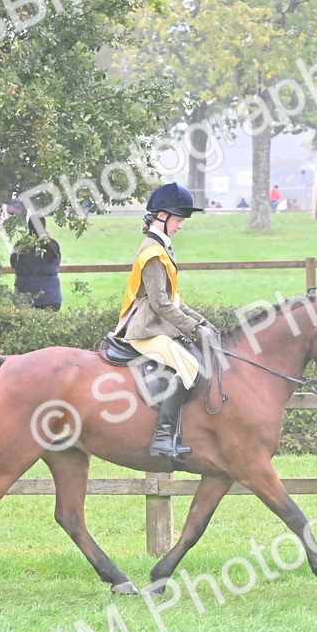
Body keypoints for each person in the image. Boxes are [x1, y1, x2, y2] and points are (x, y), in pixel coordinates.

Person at [113, 183, 218, 459]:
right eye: (179, 220)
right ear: (161, 216)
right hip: (146, 330)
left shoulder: (162, 247)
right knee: (189, 366)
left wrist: (202, 322)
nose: (181, 226)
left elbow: (175, 299)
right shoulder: (152, 253)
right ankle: (162, 438)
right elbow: (160, 303)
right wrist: (193, 329)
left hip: (158, 325)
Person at [10, 216, 62, 311]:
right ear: (44, 226)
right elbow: (56, 264)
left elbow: (14, 264)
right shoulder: (53, 245)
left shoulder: (21, 245)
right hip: (52, 298)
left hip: (26, 297)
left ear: (29, 226)